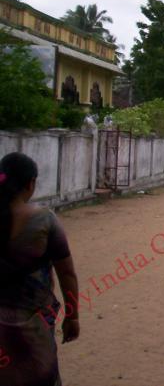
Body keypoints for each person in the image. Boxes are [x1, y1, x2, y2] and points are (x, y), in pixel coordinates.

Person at [0, 152, 80, 386]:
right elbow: (67, 274)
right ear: (31, 183)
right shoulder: (44, 220)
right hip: (34, 324)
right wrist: (72, 315)